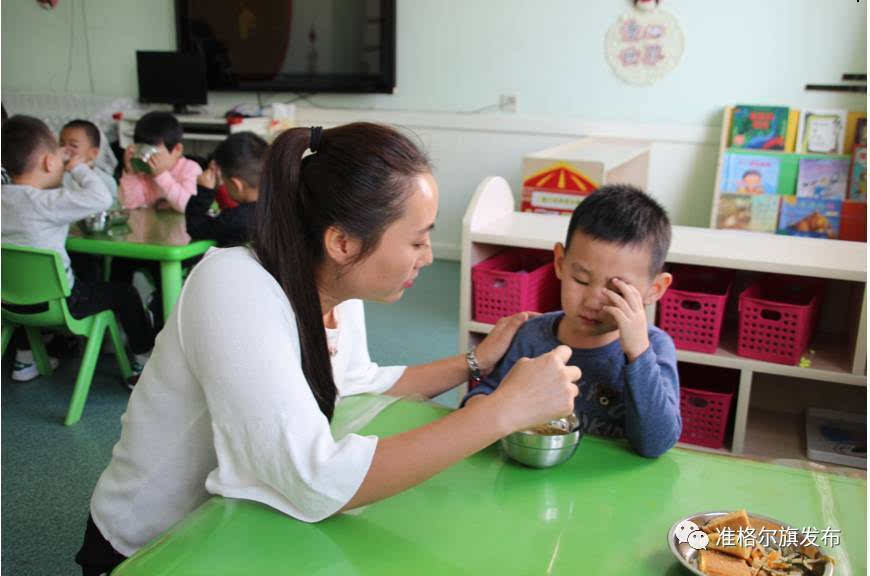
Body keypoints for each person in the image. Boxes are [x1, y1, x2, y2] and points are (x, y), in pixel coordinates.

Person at [74, 123, 581, 575]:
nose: (428, 257)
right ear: (342, 243)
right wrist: (501, 412)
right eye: (418, 240)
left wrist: (478, 360)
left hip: (239, 527)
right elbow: (312, 478)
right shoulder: (233, 286)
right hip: (151, 549)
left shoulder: (333, 287)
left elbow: (361, 381)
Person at [462, 185, 681, 458]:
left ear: (655, 289)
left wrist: (638, 353)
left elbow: (656, 444)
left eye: (616, 290)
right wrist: (481, 407)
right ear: (560, 263)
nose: (591, 301)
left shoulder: (655, 347)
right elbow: (483, 398)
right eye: (581, 280)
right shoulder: (531, 337)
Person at [1, 116, 154, 383]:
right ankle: (145, 361)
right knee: (125, 293)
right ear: (50, 162)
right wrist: (77, 167)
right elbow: (101, 198)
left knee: (24, 282)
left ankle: (25, 360)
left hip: (8, 302)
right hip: (62, 304)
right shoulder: (47, 201)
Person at [185, 132, 267, 245]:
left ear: (237, 185)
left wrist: (204, 190)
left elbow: (196, 227)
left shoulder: (237, 220)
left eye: (224, 180)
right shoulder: (278, 206)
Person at [118, 111, 201, 212]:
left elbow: (188, 207)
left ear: (177, 150)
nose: (147, 159)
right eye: (142, 151)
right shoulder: (142, 171)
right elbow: (131, 205)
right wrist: (130, 174)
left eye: (153, 153)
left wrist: (161, 175)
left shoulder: (190, 169)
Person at [60, 119, 118, 200]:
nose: (64, 149)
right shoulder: (56, 177)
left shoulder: (106, 181)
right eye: (61, 144)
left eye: (73, 145)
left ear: (93, 153)